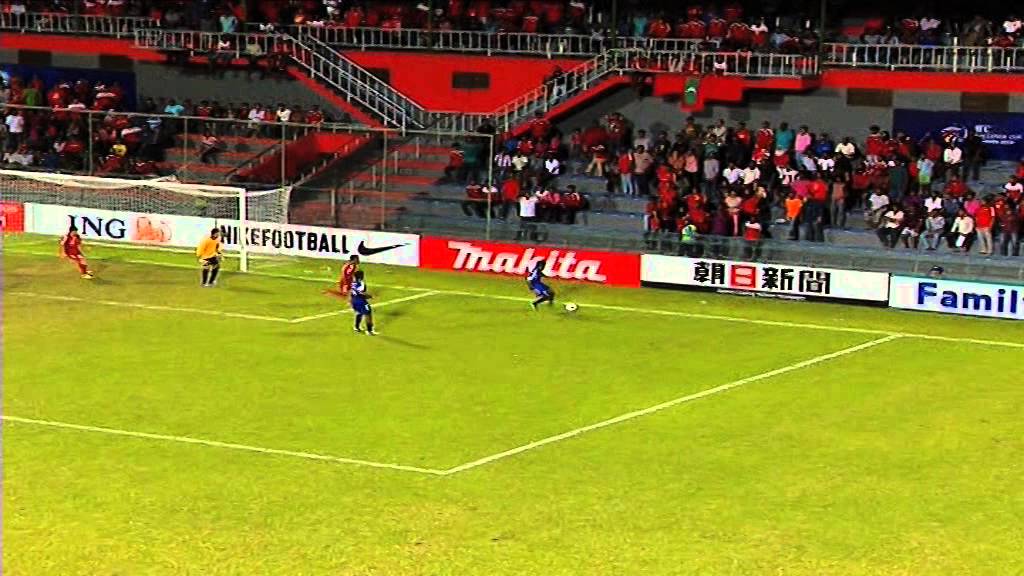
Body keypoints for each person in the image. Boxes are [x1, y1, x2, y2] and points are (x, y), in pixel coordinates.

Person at [350, 270, 377, 335]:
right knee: (368, 313)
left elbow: (353, 293)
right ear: (361, 276)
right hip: (361, 301)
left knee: (359, 312)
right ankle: (369, 331)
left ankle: (356, 327)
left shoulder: (353, 283)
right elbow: (361, 293)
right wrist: (370, 296)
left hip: (354, 300)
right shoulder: (361, 283)